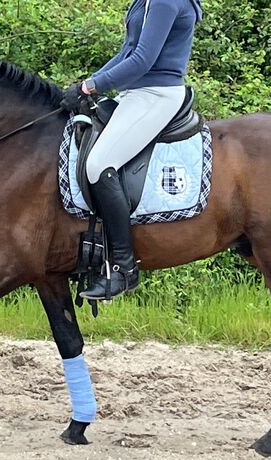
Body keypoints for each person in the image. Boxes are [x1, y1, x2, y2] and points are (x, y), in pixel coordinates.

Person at [61, 0, 203, 300]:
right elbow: (126, 51)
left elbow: (142, 59)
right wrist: (88, 83)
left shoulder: (165, 1)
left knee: (98, 164)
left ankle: (124, 270)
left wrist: (92, 86)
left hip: (156, 94)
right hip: (135, 94)